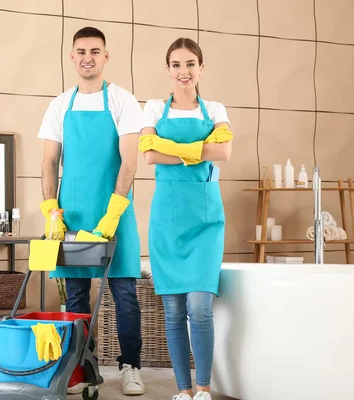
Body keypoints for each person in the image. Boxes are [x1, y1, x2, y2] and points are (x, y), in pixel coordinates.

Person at [37, 26, 145, 396]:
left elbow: (130, 159)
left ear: (106, 56)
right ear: (72, 57)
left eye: (95, 51)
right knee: (77, 296)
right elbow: (49, 161)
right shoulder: (59, 105)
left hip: (114, 210)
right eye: (81, 51)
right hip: (74, 214)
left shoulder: (122, 101)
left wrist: (114, 210)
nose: (88, 57)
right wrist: (52, 209)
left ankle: (131, 366)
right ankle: (82, 367)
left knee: (124, 292)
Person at [139, 37, 234, 400]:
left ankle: (204, 388)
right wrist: (198, 150)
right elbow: (148, 156)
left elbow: (223, 151)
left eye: (191, 64)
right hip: (167, 219)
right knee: (174, 309)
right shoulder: (151, 109)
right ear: (168, 69)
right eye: (176, 64)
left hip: (206, 221)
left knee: (199, 306)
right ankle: (183, 391)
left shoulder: (215, 108)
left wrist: (172, 149)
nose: (184, 71)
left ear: (201, 68)